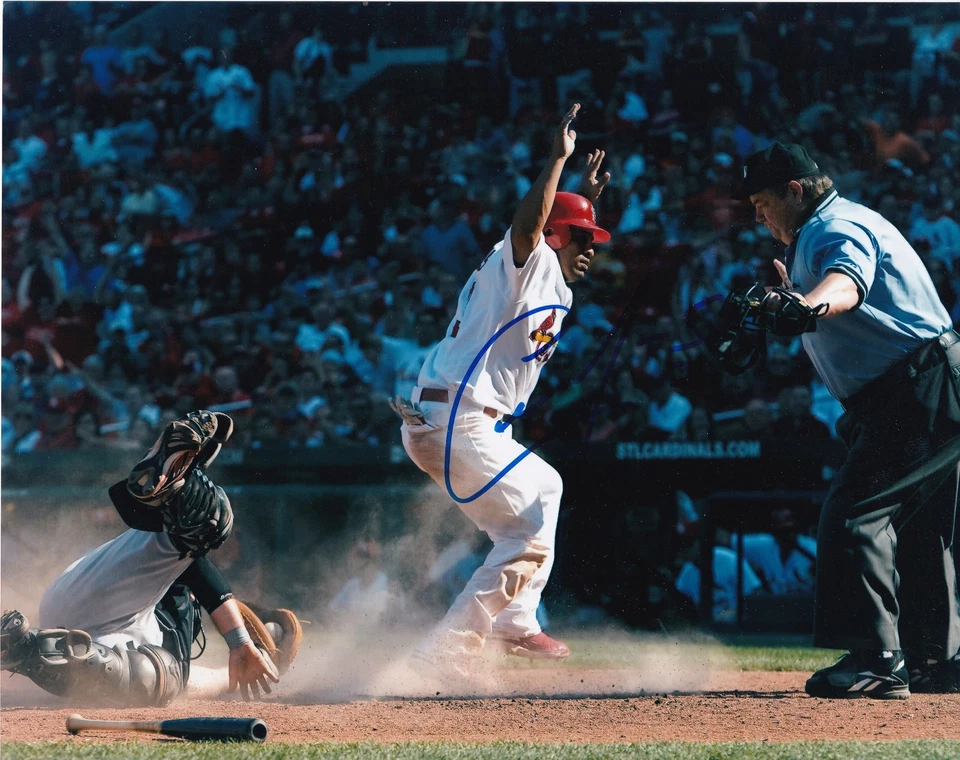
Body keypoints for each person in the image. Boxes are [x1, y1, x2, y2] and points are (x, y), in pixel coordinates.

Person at [391, 104, 611, 681]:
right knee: (527, 532)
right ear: (555, 234)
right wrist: (557, 162)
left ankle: (514, 619)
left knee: (546, 489)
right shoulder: (527, 260)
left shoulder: (548, 273)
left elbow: (549, 229)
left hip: (462, 421)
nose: (592, 248)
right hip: (459, 419)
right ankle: (450, 646)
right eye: (583, 236)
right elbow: (530, 228)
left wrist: (584, 201)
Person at [733, 141, 960, 698]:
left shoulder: (831, 226)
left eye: (762, 203)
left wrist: (807, 303)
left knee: (854, 516)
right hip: (926, 384)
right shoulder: (825, 228)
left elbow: (847, 282)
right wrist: (797, 296)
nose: (758, 217)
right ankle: (935, 661)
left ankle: (875, 658)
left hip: (916, 389)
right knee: (920, 528)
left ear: (794, 191)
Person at [1, 411, 303, 705]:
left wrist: (240, 641)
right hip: (92, 624)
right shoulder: (171, 595)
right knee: (165, 677)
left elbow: (201, 575)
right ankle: (32, 650)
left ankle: (176, 489)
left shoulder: (150, 552)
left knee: (153, 669)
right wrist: (241, 648)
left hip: (74, 602)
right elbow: (199, 571)